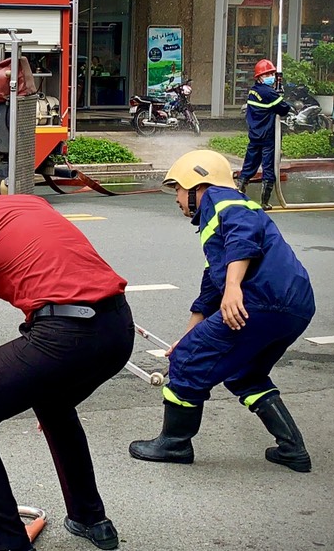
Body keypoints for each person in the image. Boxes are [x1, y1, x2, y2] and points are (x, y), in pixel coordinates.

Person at [0, 161, 133, 551]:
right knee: (54, 402)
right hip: (118, 328)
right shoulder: (29, 203)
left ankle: (6, 545)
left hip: (62, 336)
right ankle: (90, 519)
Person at [129, 150, 313, 473]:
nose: (176, 199)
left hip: (261, 298)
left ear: (196, 184)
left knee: (187, 363)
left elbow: (244, 237)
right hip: (295, 305)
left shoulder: (220, 198)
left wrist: (233, 288)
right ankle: (293, 448)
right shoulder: (219, 226)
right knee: (245, 372)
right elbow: (209, 293)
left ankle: (174, 444)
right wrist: (186, 337)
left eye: (177, 189)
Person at [236, 59, 291, 210]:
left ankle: (239, 191)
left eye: (272, 73)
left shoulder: (253, 91)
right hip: (267, 137)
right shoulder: (269, 93)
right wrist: (279, 95)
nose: (271, 76)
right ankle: (265, 202)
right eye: (268, 74)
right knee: (269, 168)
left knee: (249, 165)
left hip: (254, 135)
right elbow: (284, 109)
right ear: (260, 77)